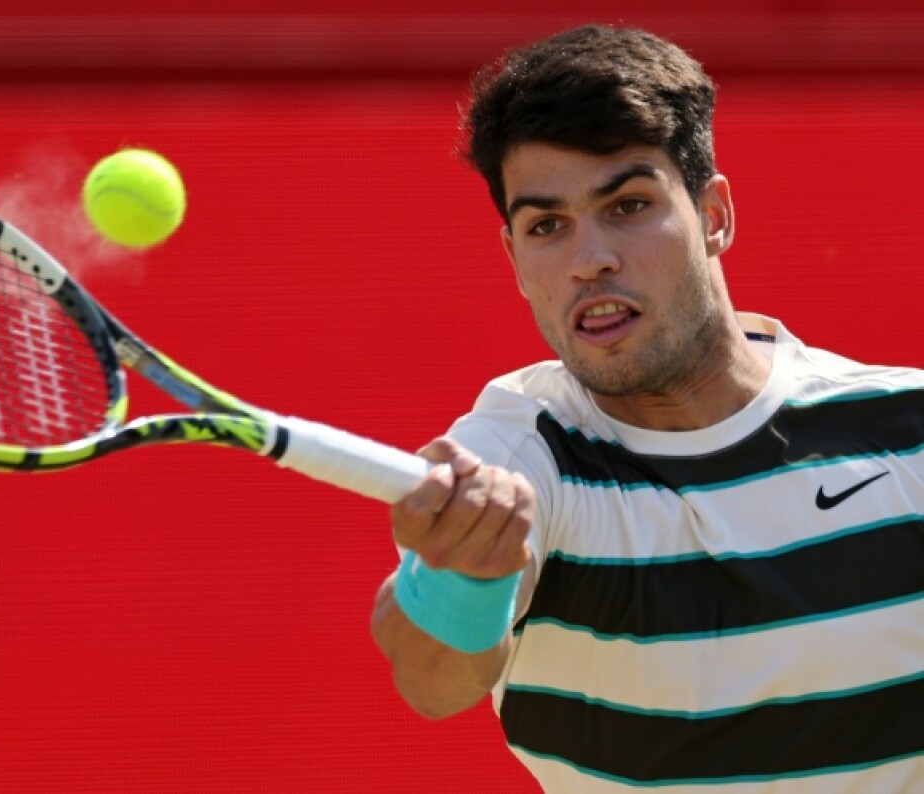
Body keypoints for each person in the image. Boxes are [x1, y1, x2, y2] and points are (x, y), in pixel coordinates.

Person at [370, 24, 923, 792]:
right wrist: (464, 577)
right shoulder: (523, 452)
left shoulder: (907, 432)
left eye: (628, 205)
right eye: (547, 226)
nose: (588, 259)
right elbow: (431, 681)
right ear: (516, 262)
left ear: (714, 214)